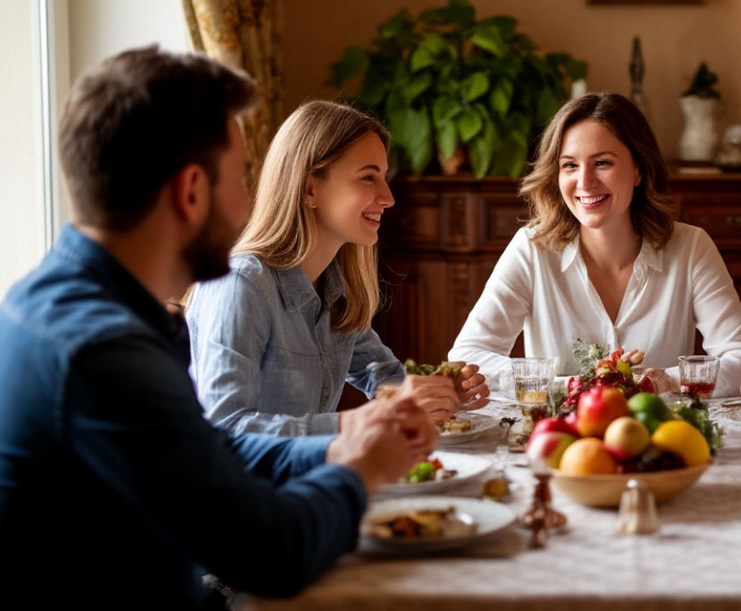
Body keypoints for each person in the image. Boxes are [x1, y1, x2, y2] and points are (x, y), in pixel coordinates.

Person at [0, 46, 438, 608]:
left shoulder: (66, 304)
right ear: (190, 192)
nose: (247, 202)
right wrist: (360, 470)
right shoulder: (105, 352)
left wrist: (344, 444)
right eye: (239, 177)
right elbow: (271, 552)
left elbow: (211, 450)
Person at [186, 100, 489, 436]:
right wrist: (360, 421)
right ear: (310, 187)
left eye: (383, 177)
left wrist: (439, 393)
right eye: (368, 177)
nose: (388, 197)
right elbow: (225, 428)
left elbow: (382, 375)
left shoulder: (334, 285)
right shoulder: (239, 284)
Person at [448, 92, 741, 396]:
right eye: (569, 165)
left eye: (602, 163)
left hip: (659, 438)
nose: (585, 182)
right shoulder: (532, 248)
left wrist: (668, 381)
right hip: (562, 441)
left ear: (639, 169)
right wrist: (566, 387)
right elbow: (469, 357)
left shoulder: (692, 247)